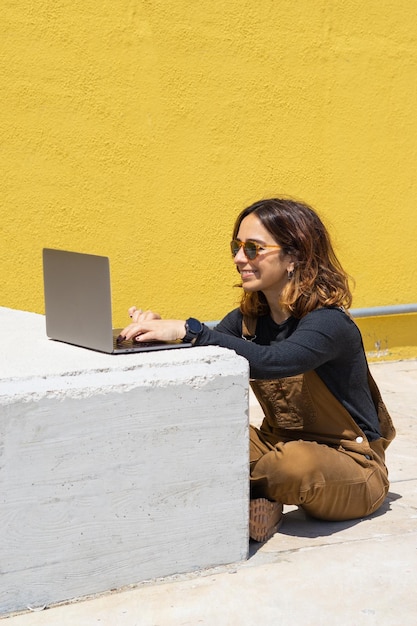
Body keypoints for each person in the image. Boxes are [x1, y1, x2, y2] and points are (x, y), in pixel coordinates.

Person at [119, 197, 395, 542]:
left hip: (351, 465)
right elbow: (207, 359)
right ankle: (263, 497)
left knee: (293, 464)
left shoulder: (328, 323)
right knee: (192, 436)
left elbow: (272, 363)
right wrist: (160, 338)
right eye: (237, 246)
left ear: (295, 256)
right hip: (274, 445)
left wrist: (190, 331)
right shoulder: (248, 320)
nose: (238, 258)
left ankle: (243, 490)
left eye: (253, 248)